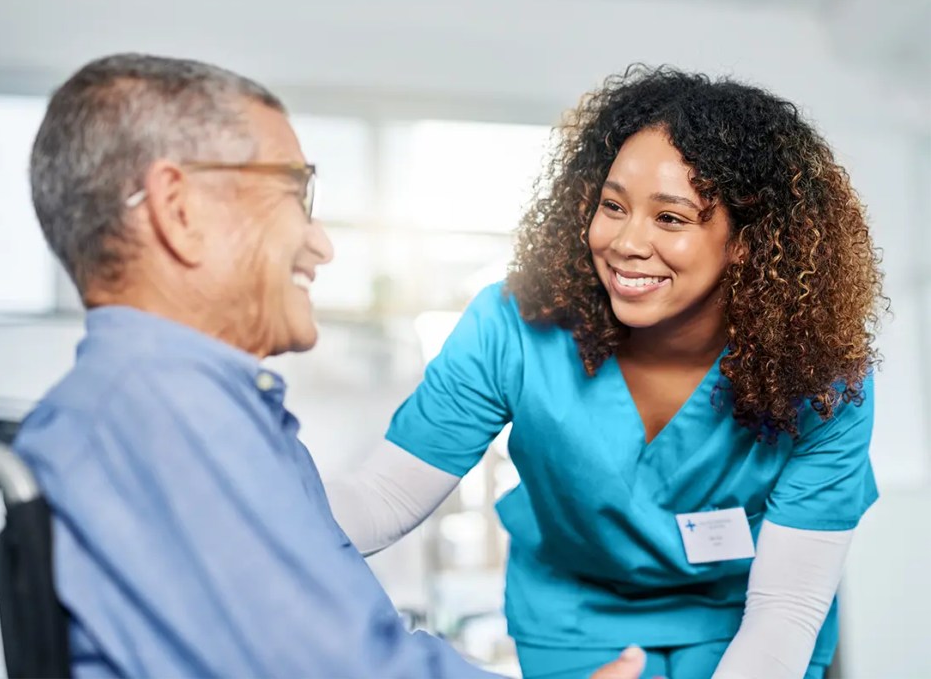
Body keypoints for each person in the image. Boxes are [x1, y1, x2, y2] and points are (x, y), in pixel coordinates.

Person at [13, 53, 647, 679]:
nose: (321, 242)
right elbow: (335, 666)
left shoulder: (183, 410)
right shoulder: (160, 411)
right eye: (293, 192)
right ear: (180, 211)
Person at [326, 65, 887, 679]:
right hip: (575, 622)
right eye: (612, 205)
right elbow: (382, 499)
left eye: (670, 218)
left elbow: (785, 606)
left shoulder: (823, 381)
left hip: (746, 622)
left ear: (747, 240)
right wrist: (248, 505)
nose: (625, 242)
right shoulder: (513, 327)